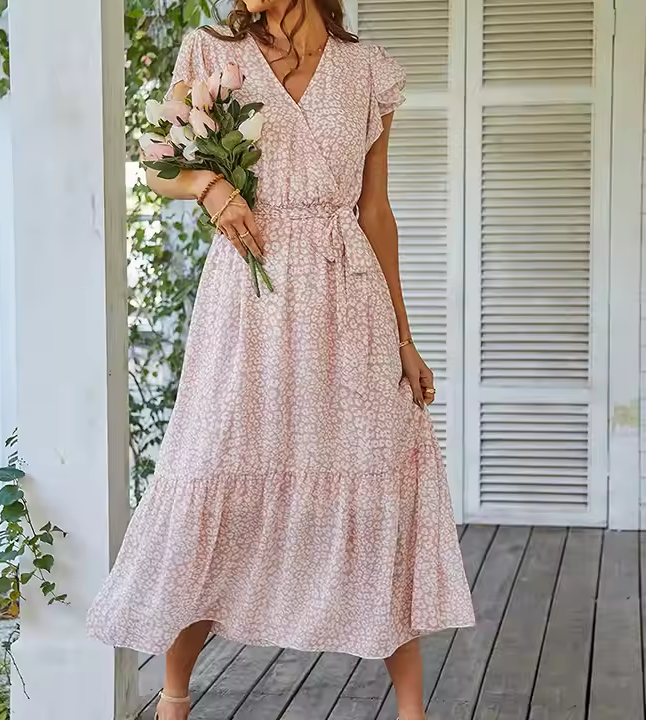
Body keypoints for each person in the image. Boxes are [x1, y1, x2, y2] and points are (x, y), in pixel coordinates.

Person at [86, 1, 474, 717]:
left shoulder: (367, 72)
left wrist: (404, 338)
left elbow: (375, 213)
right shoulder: (211, 53)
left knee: (375, 479)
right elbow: (159, 164)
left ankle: (413, 711)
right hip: (247, 301)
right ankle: (174, 700)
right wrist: (210, 186)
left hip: (347, 302)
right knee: (216, 472)